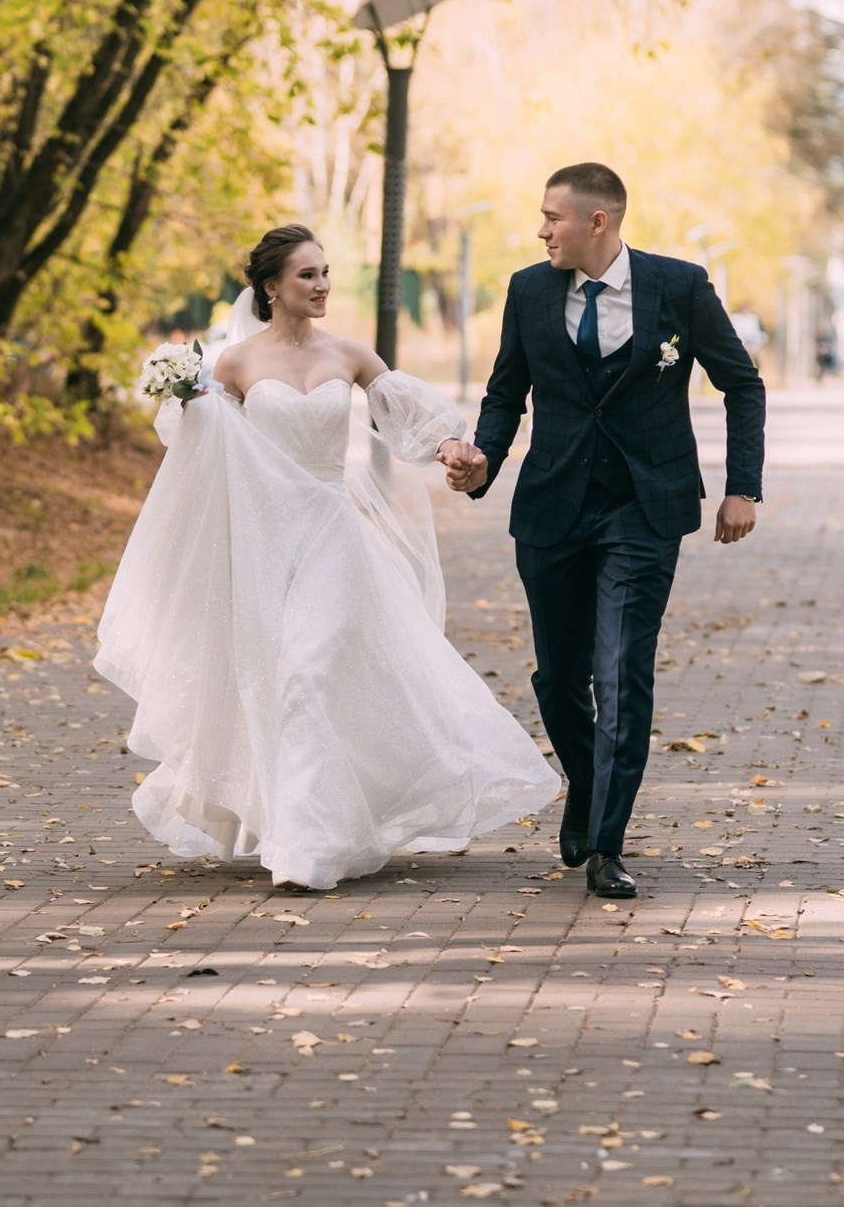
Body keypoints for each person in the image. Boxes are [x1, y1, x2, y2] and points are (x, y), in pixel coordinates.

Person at [95, 225, 558, 890]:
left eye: (325, 272)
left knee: (308, 672)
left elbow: (408, 414)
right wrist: (188, 402)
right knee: (272, 676)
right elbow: (199, 452)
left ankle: (306, 846)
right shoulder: (233, 365)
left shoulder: (349, 353)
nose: (321, 286)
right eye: (307, 275)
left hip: (332, 532)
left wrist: (453, 446)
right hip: (261, 537)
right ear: (271, 287)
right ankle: (293, 821)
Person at [437, 164, 766, 901]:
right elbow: (505, 391)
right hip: (553, 505)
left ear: (598, 222)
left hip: (644, 509)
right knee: (559, 677)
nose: (541, 228)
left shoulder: (678, 285)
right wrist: (482, 457)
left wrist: (743, 487)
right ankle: (585, 788)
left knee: (621, 674)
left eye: (552, 216)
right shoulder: (528, 289)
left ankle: (608, 844)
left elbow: (742, 383)